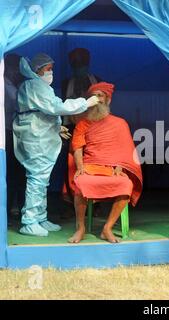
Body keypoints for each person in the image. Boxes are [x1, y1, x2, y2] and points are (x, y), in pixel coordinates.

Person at [13, 53, 99, 237]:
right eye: (48, 69)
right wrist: (86, 102)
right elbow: (56, 106)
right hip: (36, 139)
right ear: (37, 70)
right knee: (37, 179)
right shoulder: (35, 85)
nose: (51, 72)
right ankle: (30, 221)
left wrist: (56, 126)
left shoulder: (36, 85)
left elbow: (38, 111)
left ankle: (40, 218)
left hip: (39, 135)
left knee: (41, 180)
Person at [68, 82, 143, 244]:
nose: (97, 99)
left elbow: (125, 149)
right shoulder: (82, 123)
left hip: (111, 168)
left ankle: (107, 228)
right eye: (93, 96)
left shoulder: (120, 123)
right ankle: (80, 228)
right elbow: (77, 148)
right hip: (89, 167)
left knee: (126, 184)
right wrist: (80, 167)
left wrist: (119, 166)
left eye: (100, 96)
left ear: (108, 100)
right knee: (81, 182)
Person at [58, 48, 102, 217]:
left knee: (93, 162)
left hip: (93, 128)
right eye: (76, 65)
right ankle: (72, 205)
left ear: (87, 64)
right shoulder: (66, 83)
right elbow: (63, 106)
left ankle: (95, 206)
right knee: (71, 165)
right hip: (71, 127)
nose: (79, 67)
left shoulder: (96, 80)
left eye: (82, 64)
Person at [4, 54, 26, 220]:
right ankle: (12, 208)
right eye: (16, 68)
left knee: (17, 172)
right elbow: (18, 102)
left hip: (13, 132)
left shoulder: (12, 84)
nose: (18, 72)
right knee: (13, 172)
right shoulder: (6, 84)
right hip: (8, 133)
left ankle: (16, 207)